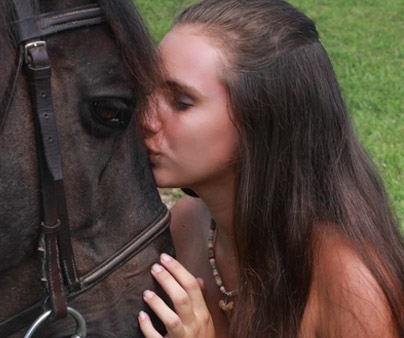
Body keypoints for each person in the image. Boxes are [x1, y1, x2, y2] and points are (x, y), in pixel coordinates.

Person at [136, 0, 404, 337]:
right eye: (148, 90)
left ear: (263, 119)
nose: (145, 119)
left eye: (181, 102)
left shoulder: (354, 287)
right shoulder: (184, 225)